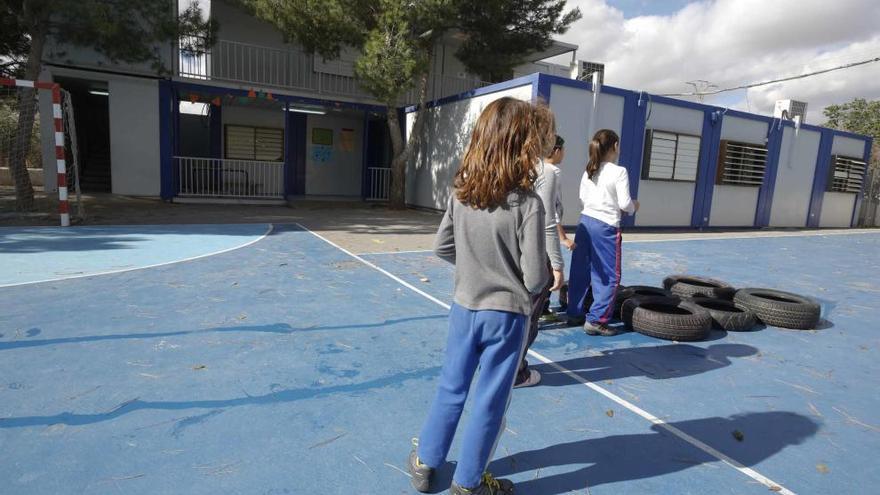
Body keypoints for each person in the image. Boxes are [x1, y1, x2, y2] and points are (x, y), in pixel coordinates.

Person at [408, 97, 553, 495]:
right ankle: (468, 485)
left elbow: (442, 247)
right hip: (506, 316)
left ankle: (425, 463)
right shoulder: (528, 204)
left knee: (451, 387)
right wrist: (528, 284)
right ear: (523, 145)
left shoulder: (462, 192)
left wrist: (474, 269)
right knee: (489, 400)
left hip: (463, 306)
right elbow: (536, 276)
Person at [566, 129, 639, 336]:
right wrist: (635, 206)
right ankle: (597, 320)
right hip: (606, 227)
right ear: (615, 146)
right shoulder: (619, 171)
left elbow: (582, 197)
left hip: (585, 223)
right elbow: (625, 203)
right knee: (608, 275)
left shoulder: (589, 169)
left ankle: (574, 312)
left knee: (581, 269)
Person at [514, 133, 568, 389]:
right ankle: (516, 372)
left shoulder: (516, 169)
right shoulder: (547, 172)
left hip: (514, 251)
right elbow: (547, 221)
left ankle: (500, 366)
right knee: (528, 317)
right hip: (534, 253)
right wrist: (556, 264)